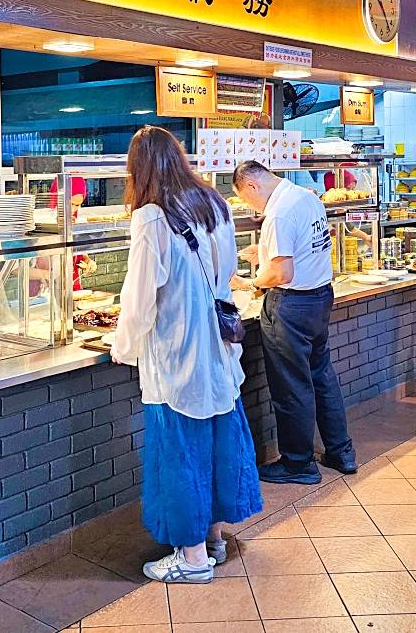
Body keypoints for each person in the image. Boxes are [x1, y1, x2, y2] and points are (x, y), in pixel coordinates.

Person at [110, 126, 262, 583]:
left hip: (176, 353)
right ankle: (213, 537)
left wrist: (122, 346)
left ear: (138, 170)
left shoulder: (151, 218)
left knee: (180, 454)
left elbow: (139, 301)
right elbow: (229, 269)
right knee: (217, 443)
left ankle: (192, 558)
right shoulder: (214, 205)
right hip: (217, 349)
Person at [230, 160, 356, 483]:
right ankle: (341, 452)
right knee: (321, 376)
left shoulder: (278, 213)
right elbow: (310, 247)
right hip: (319, 299)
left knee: (292, 386)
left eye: (245, 199)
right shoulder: (307, 197)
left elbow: (281, 273)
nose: (249, 207)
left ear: (252, 186)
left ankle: (298, 464)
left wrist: (250, 282)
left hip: (290, 307)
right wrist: (266, 252)